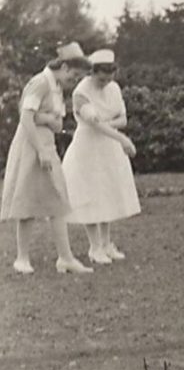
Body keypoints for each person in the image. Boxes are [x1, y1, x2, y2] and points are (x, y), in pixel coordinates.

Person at [0, 42, 94, 274]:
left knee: (58, 197)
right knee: (27, 198)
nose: (73, 80)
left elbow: (58, 122)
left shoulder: (57, 87)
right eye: (73, 75)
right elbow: (25, 118)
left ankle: (65, 257)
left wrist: (49, 123)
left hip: (47, 144)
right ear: (63, 66)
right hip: (31, 145)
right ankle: (22, 258)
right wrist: (41, 146)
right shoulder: (40, 83)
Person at [63, 49, 140, 264]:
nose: (106, 81)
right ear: (92, 72)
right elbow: (92, 123)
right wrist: (123, 139)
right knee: (91, 194)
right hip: (87, 148)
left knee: (107, 192)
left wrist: (110, 129)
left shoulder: (114, 88)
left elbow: (123, 119)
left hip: (109, 144)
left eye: (110, 76)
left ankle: (106, 244)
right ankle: (94, 247)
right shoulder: (81, 92)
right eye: (101, 77)